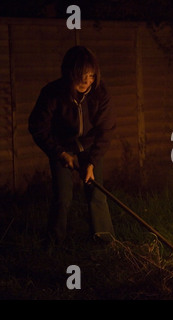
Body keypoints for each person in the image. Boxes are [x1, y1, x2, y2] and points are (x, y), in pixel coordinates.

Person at [28, 46, 116, 246]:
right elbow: (38, 127)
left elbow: (106, 130)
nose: (87, 81)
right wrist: (59, 153)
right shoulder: (52, 93)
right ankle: (54, 242)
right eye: (82, 75)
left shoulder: (100, 93)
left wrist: (92, 162)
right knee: (63, 196)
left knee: (97, 193)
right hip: (62, 147)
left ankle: (104, 240)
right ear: (69, 73)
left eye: (91, 76)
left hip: (90, 147)